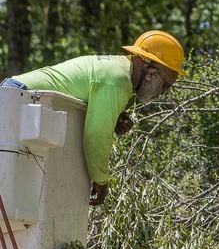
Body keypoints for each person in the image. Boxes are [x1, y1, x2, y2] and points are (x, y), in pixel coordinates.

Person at [0, 30, 185, 206]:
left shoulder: (118, 71)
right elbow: (96, 136)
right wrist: (101, 180)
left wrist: (115, 116)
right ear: (151, 73)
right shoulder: (117, 80)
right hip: (15, 101)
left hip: (18, 99)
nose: (163, 92)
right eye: (166, 85)